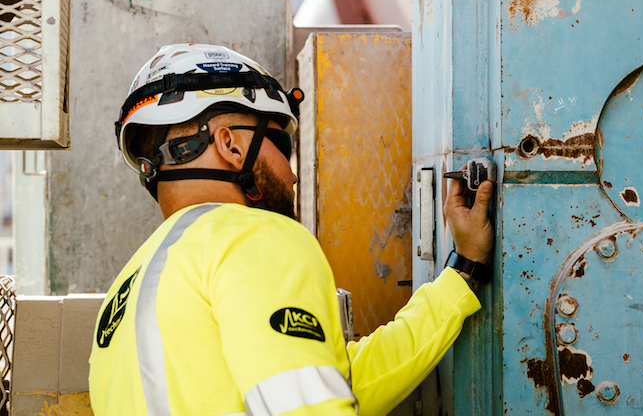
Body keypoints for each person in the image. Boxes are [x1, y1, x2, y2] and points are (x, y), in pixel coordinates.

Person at [89, 43, 495, 416]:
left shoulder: (128, 289)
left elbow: (339, 384)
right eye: (282, 146)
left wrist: (464, 269)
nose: (293, 174)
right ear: (230, 145)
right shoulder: (252, 236)